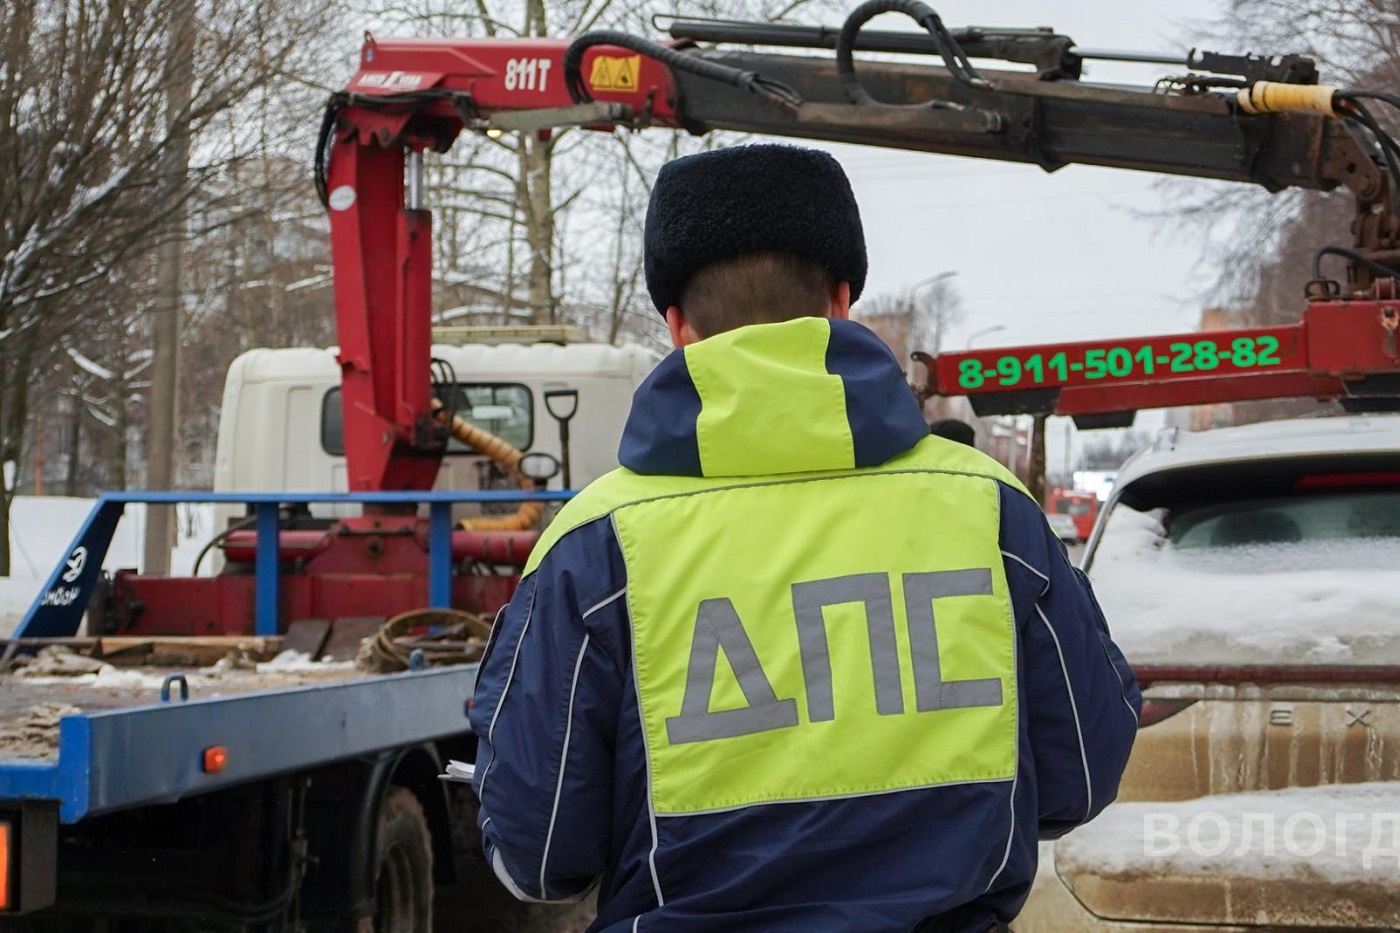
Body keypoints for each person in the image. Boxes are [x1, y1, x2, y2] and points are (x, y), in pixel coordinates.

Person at [468, 144, 1140, 933]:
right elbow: (1082, 775)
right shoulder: (992, 512)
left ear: (677, 325)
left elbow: (540, 854)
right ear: (842, 301)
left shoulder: (595, 546)